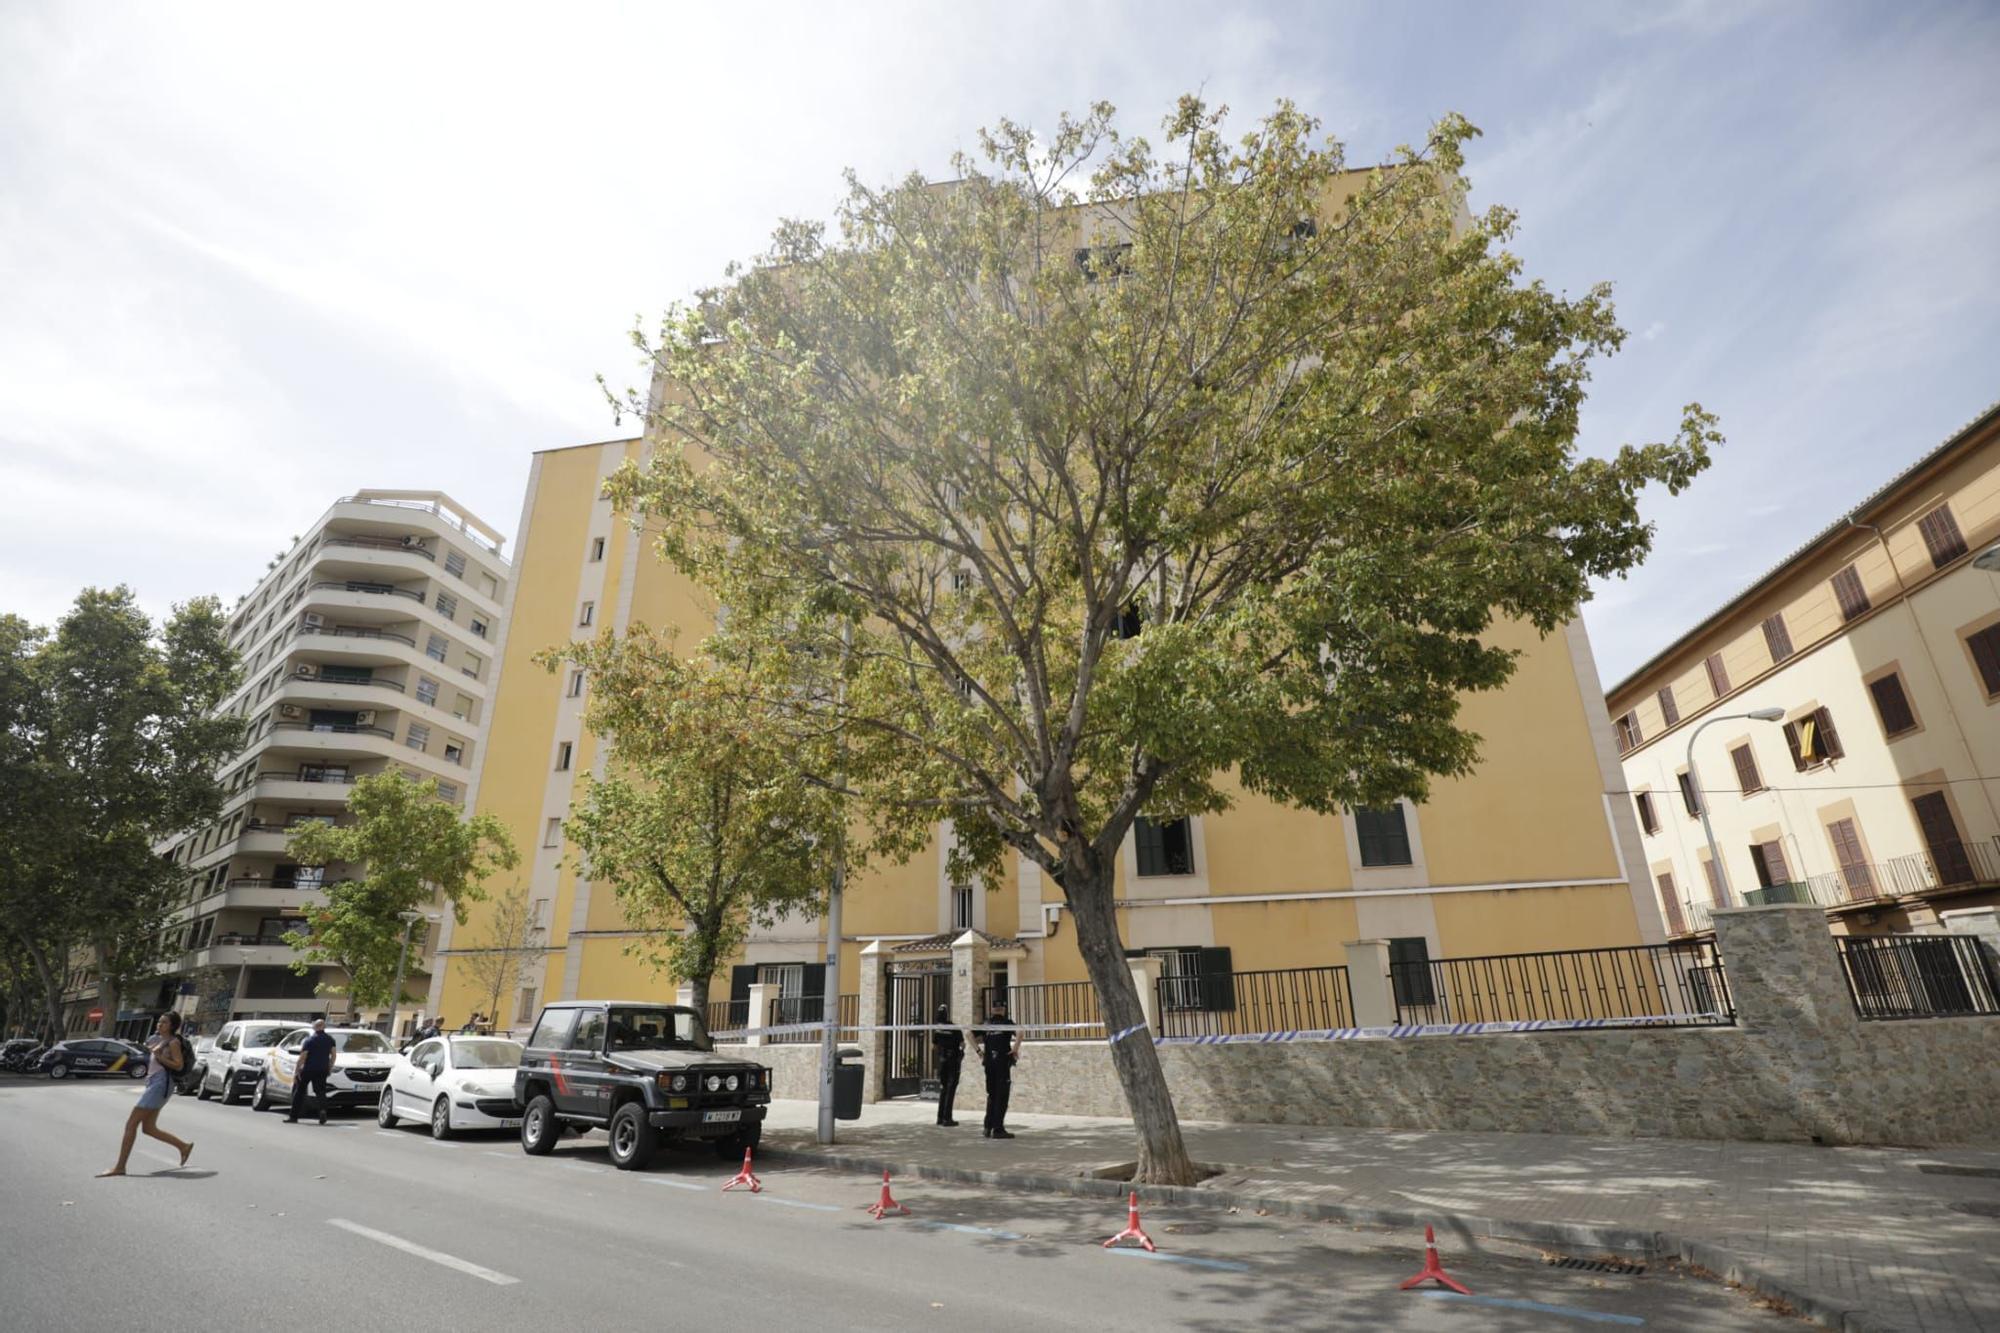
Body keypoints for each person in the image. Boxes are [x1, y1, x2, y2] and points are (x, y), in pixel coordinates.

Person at [97, 1012, 194, 1177]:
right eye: (159, 1021)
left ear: (171, 1025)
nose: (159, 1024)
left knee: (131, 1124)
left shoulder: (173, 1042)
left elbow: (178, 1066)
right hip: (154, 1082)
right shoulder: (156, 1039)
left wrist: (159, 1056)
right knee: (148, 1128)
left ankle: (120, 1166)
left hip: (161, 1084)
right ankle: (183, 1146)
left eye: (164, 1022)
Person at [977, 996, 1022, 1139]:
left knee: (991, 1095)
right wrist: (1015, 1048)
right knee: (1001, 1097)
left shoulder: (986, 1023)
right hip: (1002, 1063)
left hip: (989, 1063)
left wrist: (979, 1052)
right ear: (1003, 1010)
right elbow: (1020, 1032)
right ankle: (998, 1129)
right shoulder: (1007, 1023)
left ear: (992, 1009)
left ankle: (987, 1127)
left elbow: (968, 1034)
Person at [287, 1017, 337, 1125]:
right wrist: (329, 1067)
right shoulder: (330, 1040)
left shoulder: (310, 1040)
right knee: (320, 1091)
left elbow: (303, 1057)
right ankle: (323, 1110)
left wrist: (297, 1071)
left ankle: (293, 1116)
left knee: (299, 1091)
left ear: (316, 1027)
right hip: (322, 1069)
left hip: (309, 1069)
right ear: (324, 1027)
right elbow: (333, 1055)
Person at [930, 1003, 964, 1127]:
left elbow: (933, 1046)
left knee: (943, 1088)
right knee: (951, 1088)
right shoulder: (954, 1028)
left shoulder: (938, 1029)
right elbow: (962, 1045)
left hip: (942, 1060)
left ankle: (940, 1117)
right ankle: (947, 1118)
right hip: (953, 1060)